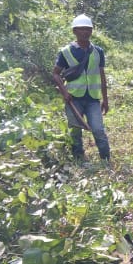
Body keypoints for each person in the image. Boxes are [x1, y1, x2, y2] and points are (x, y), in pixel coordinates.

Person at [53, 14, 110, 163]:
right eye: (81, 29)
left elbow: (102, 77)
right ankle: (79, 158)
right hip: (73, 99)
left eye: (88, 29)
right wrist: (64, 92)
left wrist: (105, 99)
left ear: (91, 31)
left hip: (92, 99)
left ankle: (106, 159)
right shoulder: (65, 52)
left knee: (98, 129)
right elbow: (55, 74)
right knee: (75, 131)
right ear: (75, 31)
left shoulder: (98, 52)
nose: (85, 32)